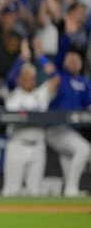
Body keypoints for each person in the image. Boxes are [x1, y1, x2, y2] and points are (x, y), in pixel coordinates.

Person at [2, 57, 60, 197]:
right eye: (25, 77)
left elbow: (56, 78)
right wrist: (23, 59)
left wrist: (41, 57)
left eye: (31, 77)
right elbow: (9, 78)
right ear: (19, 79)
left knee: (34, 192)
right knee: (11, 191)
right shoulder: (12, 94)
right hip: (17, 144)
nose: (28, 80)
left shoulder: (41, 93)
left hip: (38, 146)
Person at [45, 43, 91, 197]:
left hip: (71, 130)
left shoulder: (85, 82)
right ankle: (71, 189)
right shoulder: (60, 77)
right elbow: (53, 65)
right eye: (70, 59)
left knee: (69, 158)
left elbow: (89, 104)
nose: (73, 62)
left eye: (76, 60)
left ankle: (69, 193)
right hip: (56, 128)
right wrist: (67, 37)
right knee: (84, 149)